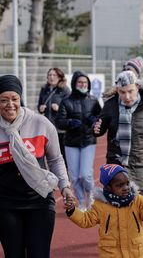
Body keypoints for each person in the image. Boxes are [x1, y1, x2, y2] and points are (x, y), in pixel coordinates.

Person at [0, 74, 74, 258]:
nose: (10, 104)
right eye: (3, 100)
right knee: (14, 254)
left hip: (39, 199)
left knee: (39, 254)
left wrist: (64, 186)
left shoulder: (40, 123)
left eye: (14, 99)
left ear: (20, 98)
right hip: (5, 202)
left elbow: (56, 159)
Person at [65, 163, 143, 258]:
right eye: (119, 185)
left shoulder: (137, 200)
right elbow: (86, 220)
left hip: (135, 253)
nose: (126, 188)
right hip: (111, 254)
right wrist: (72, 210)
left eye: (127, 183)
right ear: (108, 187)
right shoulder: (100, 205)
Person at [93, 70, 143, 192]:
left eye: (130, 91)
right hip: (116, 167)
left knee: (140, 207)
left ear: (137, 87)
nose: (127, 96)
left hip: (140, 167)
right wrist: (96, 128)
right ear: (117, 90)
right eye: (122, 92)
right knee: (117, 208)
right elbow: (99, 128)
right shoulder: (110, 105)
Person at [56, 70, 102, 211]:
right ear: (74, 83)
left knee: (86, 174)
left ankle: (91, 196)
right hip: (71, 142)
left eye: (85, 82)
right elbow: (59, 121)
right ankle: (81, 201)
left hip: (88, 140)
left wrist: (94, 120)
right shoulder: (66, 101)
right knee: (75, 177)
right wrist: (70, 122)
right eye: (80, 82)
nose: (83, 84)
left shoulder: (93, 100)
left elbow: (100, 117)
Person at [37, 67, 70, 166]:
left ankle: (64, 176)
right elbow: (39, 105)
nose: (51, 77)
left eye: (54, 75)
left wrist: (59, 108)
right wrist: (40, 108)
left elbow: (70, 108)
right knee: (45, 153)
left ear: (60, 77)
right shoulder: (44, 89)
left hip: (59, 128)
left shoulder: (65, 90)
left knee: (60, 153)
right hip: (46, 127)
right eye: (49, 75)